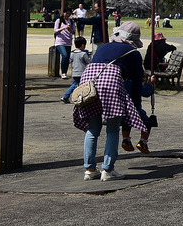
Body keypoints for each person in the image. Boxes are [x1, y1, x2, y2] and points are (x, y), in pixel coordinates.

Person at [75, 27, 149, 181]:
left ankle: (89, 169)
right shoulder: (133, 53)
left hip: (88, 83)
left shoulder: (103, 47)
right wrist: (134, 106)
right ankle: (107, 170)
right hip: (110, 83)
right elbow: (136, 84)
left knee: (93, 129)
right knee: (113, 129)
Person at [91, 21, 156, 155]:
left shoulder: (103, 48)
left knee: (123, 122)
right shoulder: (132, 75)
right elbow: (144, 92)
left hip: (99, 92)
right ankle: (143, 141)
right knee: (146, 121)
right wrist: (150, 84)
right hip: (128, 106)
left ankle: (126, 138)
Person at [61, 36, 91, 104]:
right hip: (82, 72)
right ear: (83, 45)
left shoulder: (72, 54)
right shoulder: (83, 54)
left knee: (75, 84)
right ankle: (66, 96)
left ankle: (68, 96)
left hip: (74, 72)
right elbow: (88, 62)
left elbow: (70, 61)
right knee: (79, 85)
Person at [53, 10, 74, 78]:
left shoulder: (71, 21)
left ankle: (65, 72)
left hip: (68, 42)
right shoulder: (59, 20)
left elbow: (73, 31)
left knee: (67, 57)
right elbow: (55, 30)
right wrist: (63, 28)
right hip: (60, 41)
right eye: (66, 13)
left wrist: (69, 29)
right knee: (64, 55)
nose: (67, 15)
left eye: (69, 13)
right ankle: (63, 72)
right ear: (63, 13)